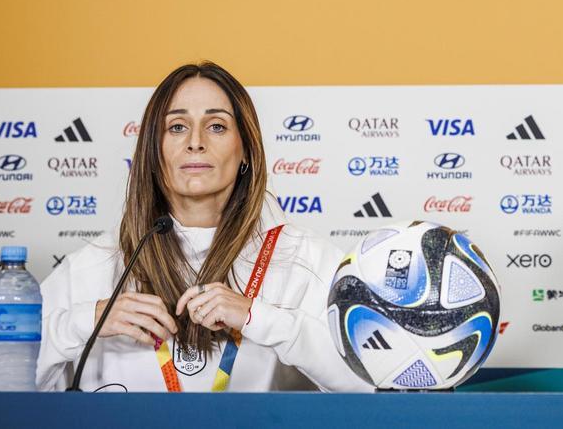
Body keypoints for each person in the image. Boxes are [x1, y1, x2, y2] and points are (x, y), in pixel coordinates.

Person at [37, 62, 368, 392]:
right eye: (177, 127)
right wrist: (86, 322)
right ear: (153, 151)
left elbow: (375, 387)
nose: (195, 142)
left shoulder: (305, 258)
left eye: (217, 126)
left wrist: (264, 320)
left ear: (247, 152)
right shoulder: (93, 265)